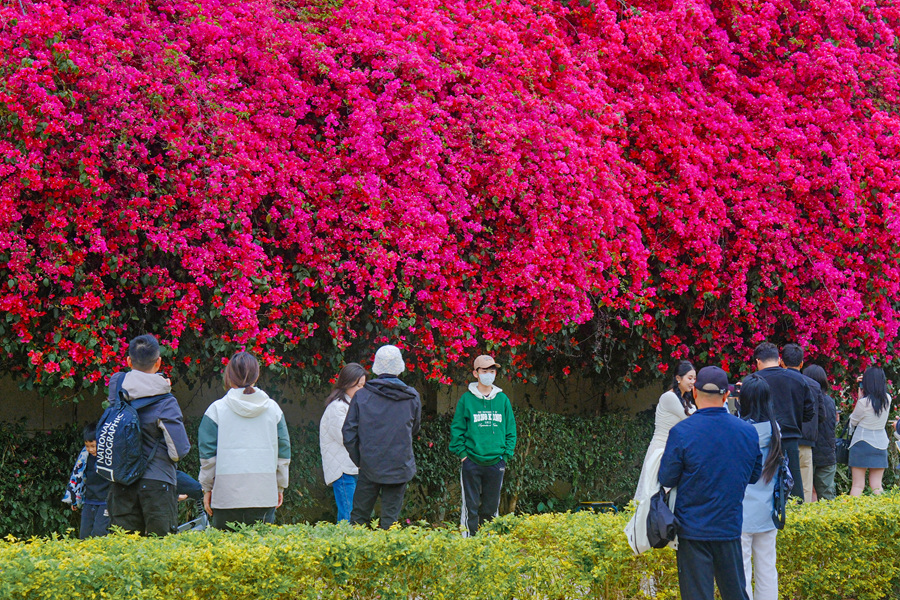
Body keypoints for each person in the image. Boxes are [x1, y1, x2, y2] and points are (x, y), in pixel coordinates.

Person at [659, 366, 762, 600]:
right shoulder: (747, 432)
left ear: (694, 393)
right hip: (729, 526)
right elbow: (754, 475)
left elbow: (666, 478)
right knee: (736, 594)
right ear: (726, 395)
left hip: (692, 528)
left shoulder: (681, 431)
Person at [107, 334, 191, 536]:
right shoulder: (166, 402)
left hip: (121, 481)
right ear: (159, 362)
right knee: (159, 555)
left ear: (128, 361)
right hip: (157, 483)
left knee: (124, 552)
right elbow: (179, 451)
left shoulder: (117, 393)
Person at [199, 352, 291, 528]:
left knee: (225, 553)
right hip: (263, 494)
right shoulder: (273, 409)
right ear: (256, 375)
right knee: (260, 553)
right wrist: (279, 487)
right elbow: (283, 454)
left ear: (229, 376)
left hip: (226, 497)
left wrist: (207, 489)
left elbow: (207, 458)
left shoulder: (216, 410)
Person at [343, 345, 421, 529]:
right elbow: (414, 429)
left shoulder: (362, 396)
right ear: (400, 367)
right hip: (399, 465)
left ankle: (357, 556)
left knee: (358, 521)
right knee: (390, 523)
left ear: (376, 367)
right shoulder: (412, 396)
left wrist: (360, 459)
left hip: (369, 464)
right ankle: (387, 555)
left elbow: (348, 433)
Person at [449, 354, 517, 537]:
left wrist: (506, 455)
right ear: (476, 373)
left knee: (491, 507)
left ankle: (488, 542)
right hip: (471, 461)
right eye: (484, 371)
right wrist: (463, 454)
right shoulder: (466, 399)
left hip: (496, 462)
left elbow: (511, 429)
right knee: (470, 506)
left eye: (492, 371)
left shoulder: (502, 400)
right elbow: (457, 429)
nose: (489, 374)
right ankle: (468, 543)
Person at [738, 374, 783, 600]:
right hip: (768, 511)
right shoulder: (775, 430)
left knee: (742, 572)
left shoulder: (738, 430)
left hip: (740, 512)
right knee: (767, 569)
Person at [753, 342, 814, 500]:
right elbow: (809, 412)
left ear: (758, 361)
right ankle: (796, 522)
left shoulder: (754, 381)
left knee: (764, 486)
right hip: (790, 439)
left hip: (764, 440)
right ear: (778, 359)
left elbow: (747, 414)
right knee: (794, 491)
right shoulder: (798, 379)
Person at [633, 360, 695, 502]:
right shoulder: (669, 397)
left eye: (694, 379)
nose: (693, 382)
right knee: (651, 497)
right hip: (660, 450)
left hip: (673, 450)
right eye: (689, 378)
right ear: (678, 378)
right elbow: (691, 420)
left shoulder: (685, 400)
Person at [319, 363, 367, 523]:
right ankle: (347, 547)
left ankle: (342, 546)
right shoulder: (337, 408)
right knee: (349, 516)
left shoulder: (352, 405)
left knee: (348, 516)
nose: (362, 389)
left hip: (352, 468)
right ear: (347, 383)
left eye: (363, 385)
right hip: (343, 470)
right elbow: (346, 437)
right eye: (358, 385)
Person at [781, 344, 825, 503]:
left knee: (781, 481)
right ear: (801, 364)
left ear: (781, 362)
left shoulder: (777, 382)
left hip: (784, 440)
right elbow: (820, 414)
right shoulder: (813, 384)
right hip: (806, 442)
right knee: (806, 485)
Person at [848, 367, 892, 496]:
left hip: (861, 443)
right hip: (881, 444)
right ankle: (881, 513)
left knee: (857, 485)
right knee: (877, 486)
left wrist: (859, 398)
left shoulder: (863, 403)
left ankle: (852, 514)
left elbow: (853, 422)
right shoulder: (887, 399)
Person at [62, 423, 111, 539]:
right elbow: (78, 477)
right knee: (84, 534)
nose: (90, 449)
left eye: (94, 446)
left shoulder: (110, 458)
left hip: (106, 501)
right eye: (87, 446)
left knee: (100, 533)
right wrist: (75, 499)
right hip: (89, 500)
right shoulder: (85, 457)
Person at [802, 365, 837, 501]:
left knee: (806, 492)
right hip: (827, 454)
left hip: (808, 450)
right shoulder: (830, 402)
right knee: (827, 496)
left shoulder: (804, 400)